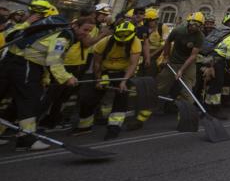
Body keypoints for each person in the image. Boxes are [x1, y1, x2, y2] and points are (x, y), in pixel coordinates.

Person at [0, 15, 95, 150]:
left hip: (16, 62)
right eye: (85, 30)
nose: (86, 34)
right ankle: (26, 141)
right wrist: (67, 77)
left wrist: (45, 78)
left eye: (89, 31)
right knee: (30, 101)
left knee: (18, 102)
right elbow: (54, 60)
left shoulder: (58, 31)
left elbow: (42, 57)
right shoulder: (64, 36)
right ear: (75, 26)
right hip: (25, 64)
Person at [128, 12, 205, 129]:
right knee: (159, 89)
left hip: (188, 65)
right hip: (172, 62)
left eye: (198, 25)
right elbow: (168, 42)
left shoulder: (199, 36)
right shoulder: (178, 31)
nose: (194, 27)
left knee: (187, 94)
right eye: (193, 23)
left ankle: (184, 121)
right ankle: (140, 118)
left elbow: (193, 55)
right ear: (189, 22)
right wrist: (166, 57)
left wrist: (181, 70)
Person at [74, 21, 142, 140]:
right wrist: (99, 80)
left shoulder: (135, 42)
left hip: (123, 73)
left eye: (126, 40)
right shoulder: (104, 43)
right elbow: (97, 63)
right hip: (105, 71)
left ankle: (114, 128)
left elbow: (133, 64)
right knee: (89, 97)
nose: (123, 41)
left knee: (121, 98)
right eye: (120, 39)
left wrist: (124, 81)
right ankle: (84, 126)